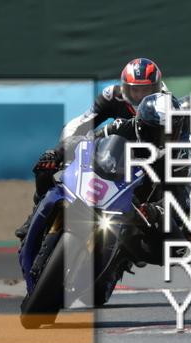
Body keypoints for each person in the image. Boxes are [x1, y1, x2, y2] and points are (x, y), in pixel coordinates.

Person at [15, 58, 167, 239]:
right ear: (125, 88)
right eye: (135, 90)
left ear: (156, 88)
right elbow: (81, 124)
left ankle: (139, 238)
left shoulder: (165, 105)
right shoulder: (112, 96)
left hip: (148, 160)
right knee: (48, 164)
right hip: (113, 151)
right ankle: (36, 213)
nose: (140, 96)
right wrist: (62, 151)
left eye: (146, 90)